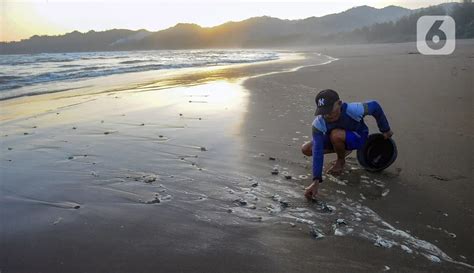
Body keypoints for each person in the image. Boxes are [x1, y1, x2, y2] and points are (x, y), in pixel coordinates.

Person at [302, 89, 393, 199]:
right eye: (323, 112)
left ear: (339, 104)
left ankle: (341, 160)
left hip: (358, 137)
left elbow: (375, 106)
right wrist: (316, 180)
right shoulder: (318, 123)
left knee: (336, 135)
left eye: (330, 110)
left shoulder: (354, 109)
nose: (327, 115)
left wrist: (385, 129)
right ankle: (343, 149)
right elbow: (317, 150)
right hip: (336, 139)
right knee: (307, 149)